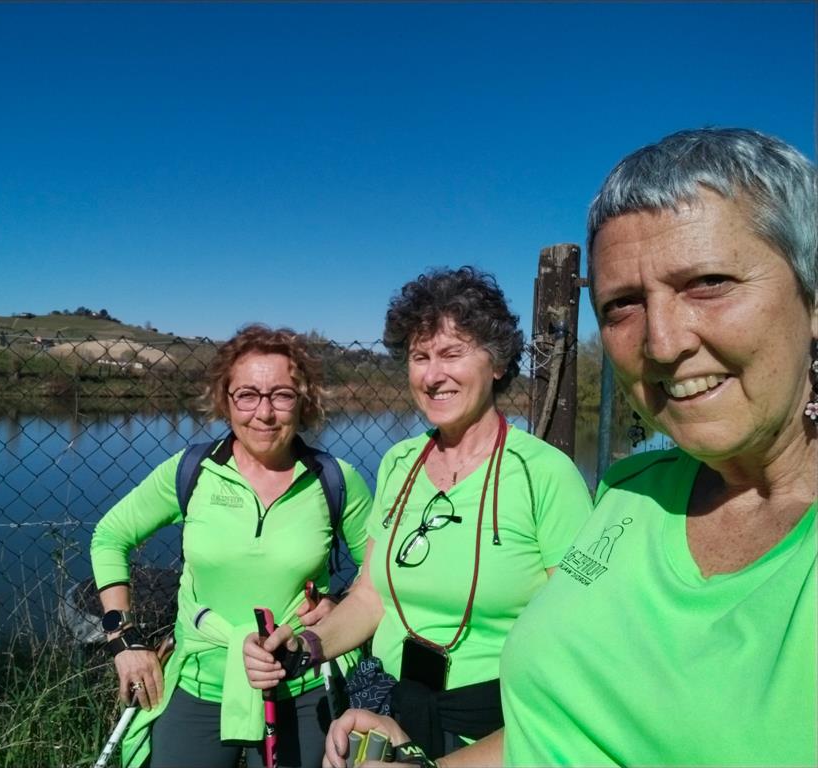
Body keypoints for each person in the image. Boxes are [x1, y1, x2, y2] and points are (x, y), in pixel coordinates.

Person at [324, 127, 818, 767]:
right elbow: (558, 730)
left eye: (708, 282)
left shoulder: (546, 474)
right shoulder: (630, 492)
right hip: (403, 705)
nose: (663, 342)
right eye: (623, 305)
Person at [245, 267, 593, 759]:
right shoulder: (399, 464)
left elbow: (579, 639)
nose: (432, 376)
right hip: (385, 714)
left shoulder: (545, 474)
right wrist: (307, 646)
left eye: (452, 353)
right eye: (420, 357)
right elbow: (369, 597)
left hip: (491, 731)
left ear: (496, 363)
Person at [91, 324, 373, 768]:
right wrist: (124, 640)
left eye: (282, 395)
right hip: (198, 685)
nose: (264, 413)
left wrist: (340, 604)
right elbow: (110, 537)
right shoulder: (191, 471)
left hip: (298, 688)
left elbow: (380, 574)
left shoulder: (336, 480)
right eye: (247, 395)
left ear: (304, 402)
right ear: (225, 400)